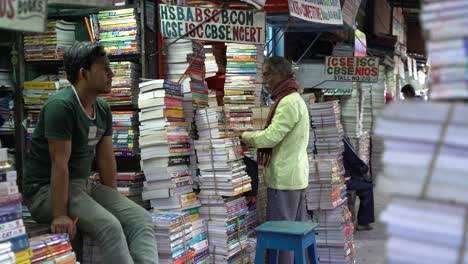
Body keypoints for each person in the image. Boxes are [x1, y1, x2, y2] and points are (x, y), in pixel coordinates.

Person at [23, 42, 158, 264]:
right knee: (109, 226)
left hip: (84, 186)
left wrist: (112, 201)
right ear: (83, 73)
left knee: (140, 219)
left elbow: (106, 159)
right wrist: (59, 215)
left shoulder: (102, 108)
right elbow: (59, 163)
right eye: (104, 68)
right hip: (46, 191)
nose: (111, 73)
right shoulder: (61, 106)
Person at [240, 56, 310, 263]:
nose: (265, 80)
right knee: (292, 232)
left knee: (283, 237)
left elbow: (271, 136)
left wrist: (245, 136)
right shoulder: (293, 99)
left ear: (281, 75)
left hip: (285, 179)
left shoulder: (288, 102)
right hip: (293, 176)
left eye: (268, 74)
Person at [342, 137, 375, 231]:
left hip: (340, 177)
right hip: (344, 181)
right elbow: (353, 159)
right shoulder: (341, 140)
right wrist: (363, 167)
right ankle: (363, 222)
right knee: (367, 187)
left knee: (362, 183)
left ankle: (363, 221)